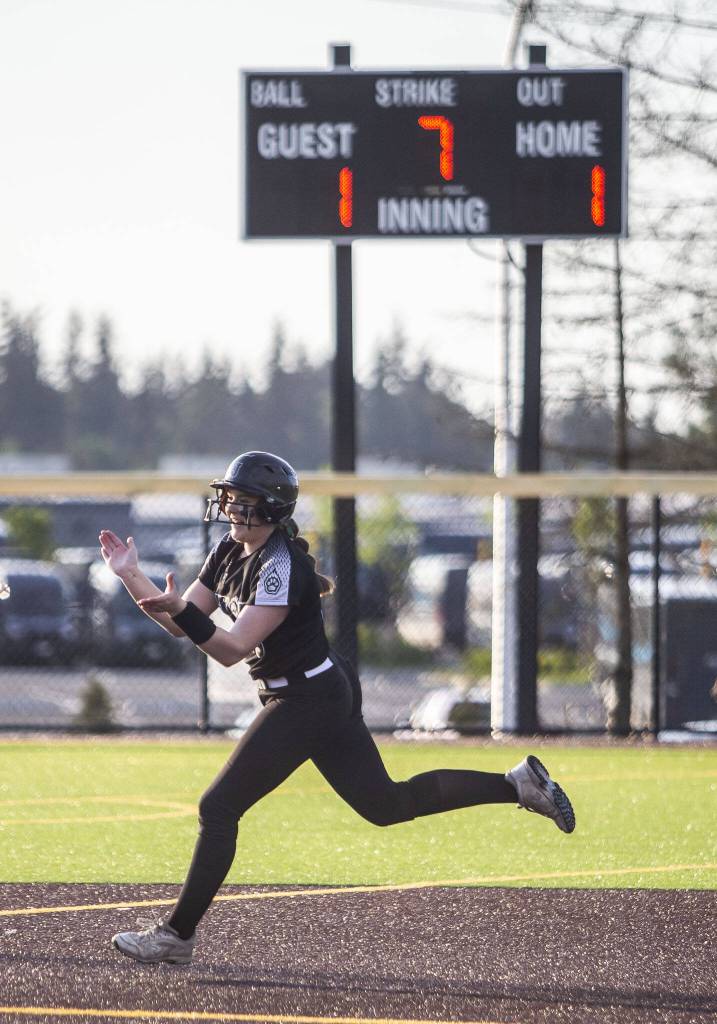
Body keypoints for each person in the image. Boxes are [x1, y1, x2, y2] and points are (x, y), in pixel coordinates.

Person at [101, 451, 575, 966]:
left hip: (308, 696)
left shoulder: (281, 563)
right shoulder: (229, 549)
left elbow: (232, 648)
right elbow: (178, 620)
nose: (231, 507)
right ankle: (515, 785)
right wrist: (130, 574)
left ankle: (176, 935)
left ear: (272, 509)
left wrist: (182, 613)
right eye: (230, 497)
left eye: (243, 500)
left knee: (218, 808)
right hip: (318, 687)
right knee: (386, 806)